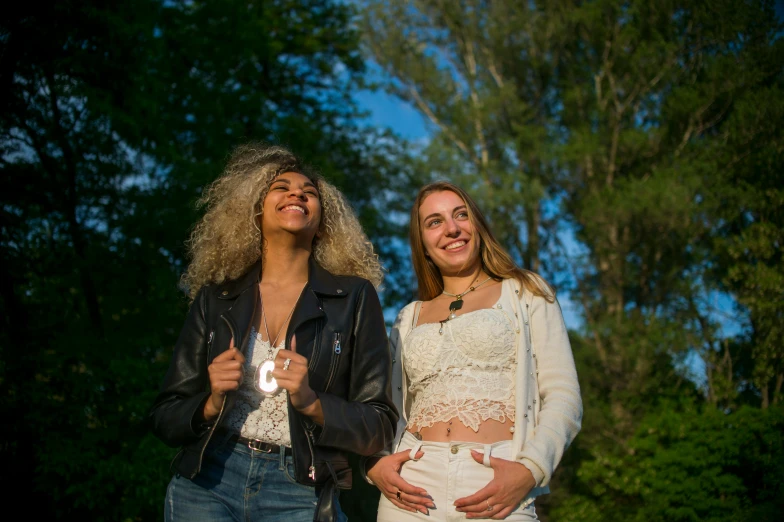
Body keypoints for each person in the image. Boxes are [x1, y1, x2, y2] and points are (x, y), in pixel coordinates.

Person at [149, 143, 398, 522]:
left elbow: (378, 425)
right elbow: (166, 415)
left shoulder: (354, 298)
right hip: (207, 481)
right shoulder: (217, 298)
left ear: (322, 223)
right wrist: (212, 402)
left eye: (309, 192)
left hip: (300, 488)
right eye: (281, 187)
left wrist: (313, 402)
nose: (297, 193)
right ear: (255, 211)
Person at [366, 181, 582, 521]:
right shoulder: (407, 317)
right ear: (422, 244)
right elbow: (382, 406)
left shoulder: (526, 292)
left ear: (477, 226)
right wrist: (375, 463)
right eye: (434, 222)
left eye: (460, 215)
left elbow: (564, 395)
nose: (452, 229)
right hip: (411, 488)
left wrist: (530, 470)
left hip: (497, 484)